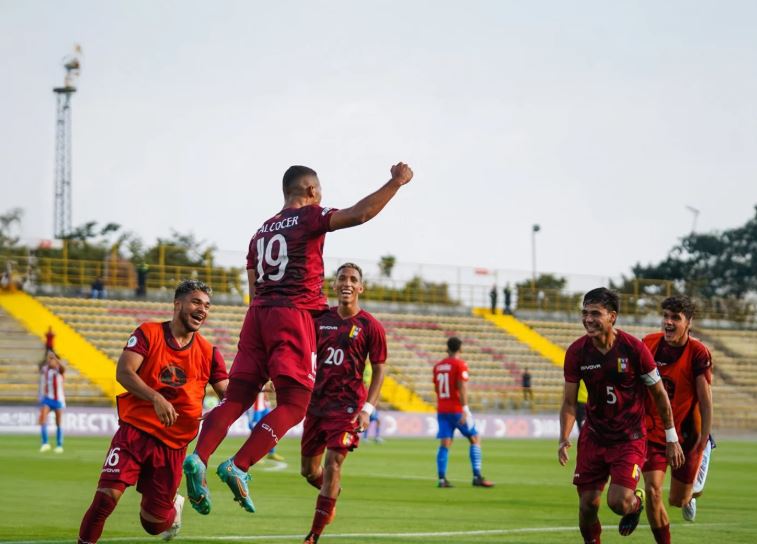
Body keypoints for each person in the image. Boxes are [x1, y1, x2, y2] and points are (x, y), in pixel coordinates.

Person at [183, 162, 413, 516]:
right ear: (310, 192)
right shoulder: (309, 218)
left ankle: (198, 457)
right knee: (294, 404)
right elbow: (359, 215)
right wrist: (396, 182)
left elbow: (253, 286)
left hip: (257, 314)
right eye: (320, 193)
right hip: (291, 316)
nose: (321, 198)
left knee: (236, 396)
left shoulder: (260, 232)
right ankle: (239, 465)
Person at [77, 280, 228, 543]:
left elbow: (229, 393)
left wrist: (260, 385)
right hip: (134, 432)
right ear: (177, 304)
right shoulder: (148, 333)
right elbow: (124, 372)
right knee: (105, 499)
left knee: (153, 524)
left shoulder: (209, 353)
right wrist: (155, 397)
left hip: (173, 445)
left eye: (207, 305)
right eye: (196, 302)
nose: (202, 309)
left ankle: (174, 507)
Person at [558, 287, 684, 543]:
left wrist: (672, 437)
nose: (588, 319)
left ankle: (636, 504)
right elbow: (569, 402)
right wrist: (564, 438)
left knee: (618, 502)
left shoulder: (634, 349)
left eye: (596, 313)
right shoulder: (576, 352)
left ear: (612, 316)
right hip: (594, 436)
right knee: (587, 506)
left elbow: (660, 394)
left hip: (629, 438)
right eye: (585, 312)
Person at [299, 262, 387, 543]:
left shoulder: (370, 326)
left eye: (353, 279)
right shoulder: (319, 320)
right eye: (342, 279)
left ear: (360, 287)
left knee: (334, 463)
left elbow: (380, 369)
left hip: (348, 408)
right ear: (334, 286)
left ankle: (314, 534)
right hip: (316, 406)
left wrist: (368, 410)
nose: (347, 283)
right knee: (309, 471)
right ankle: (331, 495)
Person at [641, 295, 714, 543]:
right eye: (666, 317)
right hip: (654, 432)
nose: (668, 323)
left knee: (677, 500)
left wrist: (702, 441)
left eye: (676, 318)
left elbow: (705, 401)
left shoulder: (697, 352)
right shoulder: (648, 344)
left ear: (689, 322)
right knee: (652, 491)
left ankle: (692, 492)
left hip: (686, 435)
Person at [433, 336, 494, 488]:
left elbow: (436, 388)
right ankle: (477, 476)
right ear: (460, 349)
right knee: (475, 438)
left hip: (442, 409)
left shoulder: (438, 366)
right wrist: (465, 409)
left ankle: (441, 479)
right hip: (457, 409)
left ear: (447, 348)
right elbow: (462, 387)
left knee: (445, 443)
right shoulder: (460, 364)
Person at [245, 383, 284, 462]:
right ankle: (251, 454)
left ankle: (271, 453)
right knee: (256, 431)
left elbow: (265, 388)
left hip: (263, 406)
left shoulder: (263, 375)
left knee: (271, 427)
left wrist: (267, 398)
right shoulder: (251, 375)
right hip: (255, 408)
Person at [38, 351, 65, 453]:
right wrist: (48, 357)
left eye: (52, 360)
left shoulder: (59, 370)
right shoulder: (46, 370)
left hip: (58, 400)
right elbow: (40, 366)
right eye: (50, 360)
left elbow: (63, 368)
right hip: (47, 399)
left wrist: (56, 359)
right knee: (43, 420)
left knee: (58, 423)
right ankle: (45, 443)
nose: (51, 362)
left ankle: (59, 445)